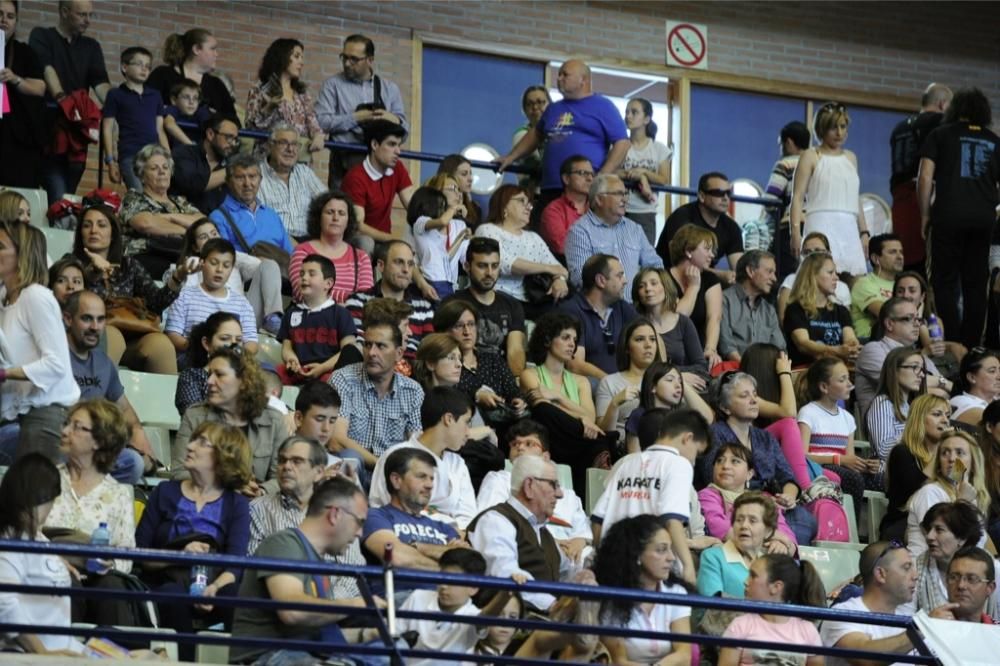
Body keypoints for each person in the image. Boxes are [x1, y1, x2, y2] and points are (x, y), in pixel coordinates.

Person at [135, 422, 251, 658]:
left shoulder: (236, 504)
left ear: (224, 456)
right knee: (170, 595)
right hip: (165, 580)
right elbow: (140, 553)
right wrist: (178, 555)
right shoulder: (165, 492)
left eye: (202, 443)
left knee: (236, 595)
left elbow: (235, 563)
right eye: (193, 439)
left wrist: (214, 588)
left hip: (214, 584)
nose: (190, 446)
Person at [231, 477, 375, 666]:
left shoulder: (318, 563)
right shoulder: (283, 543)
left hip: (301, 655)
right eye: (359, 522)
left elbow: (322, 637)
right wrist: (356, 604)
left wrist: (372, 633)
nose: (359, 534)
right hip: (263, 658)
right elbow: (292, 612)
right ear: (335, 515)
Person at [42, 399, 136, 625]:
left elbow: (126, 553)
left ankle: (117, 656)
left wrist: (108, 564)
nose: (64, 431)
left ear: (99, 440)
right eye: (67, 424)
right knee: (64, 580)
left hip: (97, 579)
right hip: (48, 573)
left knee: (111, 586)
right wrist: (53, 559)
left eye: (76, 426)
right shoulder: (44, 479)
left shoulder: (118, 493)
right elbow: (21, 533)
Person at [919, 88, 1000, 348]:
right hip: (983, 219)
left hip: (948, 215)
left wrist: (924, 214)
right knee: (976, 284)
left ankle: (952, 340)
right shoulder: (994, 140)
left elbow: (924, 177)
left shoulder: (940, 134)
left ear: (956, 109)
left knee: (943, 280)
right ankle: (973, 344)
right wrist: (991, 207)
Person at [497, 59, 629, 219]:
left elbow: (622, 143)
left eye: (565, 75)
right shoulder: (554, 109)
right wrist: (510, 157)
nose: (559, 79)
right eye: (559, 75)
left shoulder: (603, 106)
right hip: (551, 189)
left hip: (584, 192)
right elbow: (536, 134)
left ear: (583, 80)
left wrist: (602, 177)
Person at [592, 408, 709, 583]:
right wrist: (687, 565)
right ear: (688, 438)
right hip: (653, 568)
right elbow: (672, 519)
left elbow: (597, 519)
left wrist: (602, 556)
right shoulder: (679, 464)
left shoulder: (626, 463)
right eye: (697, 453)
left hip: (614, 564)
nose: (693, 461)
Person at [702, 372, 816, 545]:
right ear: (725, 407)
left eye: (755, 394)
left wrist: (788, 496)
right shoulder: (715, 433)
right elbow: (712, 475)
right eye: (744, 395)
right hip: (733, 502)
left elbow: (787, 476)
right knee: (792, 524)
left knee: (805, 519)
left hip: (772, 503)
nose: (754, 400)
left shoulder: (765, 437)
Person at [0, 220, 81, 462]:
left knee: (37, 495)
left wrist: (5, 374)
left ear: (21, 255)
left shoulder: (36, 297)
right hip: (17, 414)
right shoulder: (5, 296)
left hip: (47, 414)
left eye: (0, 246)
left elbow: (56, 364)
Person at [247, 435, 365, 599]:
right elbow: (254, 569)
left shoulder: (336, 510)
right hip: (281, 604)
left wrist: (328, 604)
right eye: (282, 460)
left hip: (337, 608)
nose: (286, 467)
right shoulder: (257, 509)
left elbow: (353, 571)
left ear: (318, 472)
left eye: (297, 461)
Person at [64, 291, 155, 480]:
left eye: (100, 320)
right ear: (68, 319)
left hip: (95, 447)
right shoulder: (55, 356)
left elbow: (126, 411)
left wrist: (137, 432)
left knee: (133, 462)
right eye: (87, 319)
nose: (95, 327)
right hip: (61, 442)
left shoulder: (104, 363)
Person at [0, 453, 85, 655]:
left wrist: (57, 561)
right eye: (52, 500)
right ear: (41, 497)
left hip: (62, 647)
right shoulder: (10, 542)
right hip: (32, 655)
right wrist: (43, 654)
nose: (52, 507)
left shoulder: (33, 536)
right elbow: (4, 605)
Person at [172, 347, 286, 496]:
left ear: (244, 381)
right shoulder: (195, 416)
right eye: (210, 374)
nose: (210, 381)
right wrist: (229, 485)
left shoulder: (274, 420)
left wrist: (261, 491)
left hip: (258, 506)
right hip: (206, 501)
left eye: (219, 375)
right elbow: (179, 472)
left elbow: (280, 475)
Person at [467, 454, 574, 613]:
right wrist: (555, 606)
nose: (560, 494)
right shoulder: (495, 521)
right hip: (510, 627)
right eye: (554, 484)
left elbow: (568, 572)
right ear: (529, 485)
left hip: (544, 624)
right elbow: (508, 577)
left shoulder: (543, 533)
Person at [819, 541, 954, 665]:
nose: (915, 575)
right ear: (880, 574)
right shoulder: (842, 615)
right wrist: (922, 629)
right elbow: (866, 658)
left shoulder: (907, 617)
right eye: (906, 568)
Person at [29, 0, 111, 202]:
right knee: (58, 194)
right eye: (82, 15)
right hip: (48, 129)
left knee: (67, 195)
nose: (88, 21)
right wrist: (61, 98)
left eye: (90, 15)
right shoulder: (42, 36)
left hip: (77, 135)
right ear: (64, 12)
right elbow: (46, 69)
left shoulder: (91, 46)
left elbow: (100, 83)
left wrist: (118, 104)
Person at [520, 312, 612, 490]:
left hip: (577, 442)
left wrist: (558, 396)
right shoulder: (529, 375)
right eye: (565, 338)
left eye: (574, 339)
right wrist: (580, 418)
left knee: (596, 440)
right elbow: (542, 407)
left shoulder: (581, 381)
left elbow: (591, 419)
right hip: (551, 439)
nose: (572, 344)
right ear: (547, 340)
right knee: (545, 410)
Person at [477, 420, 592, 562]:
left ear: (545, 456)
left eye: (529, 443)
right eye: (514, 444)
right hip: (526, 550)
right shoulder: (499, 480)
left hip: (571, 555)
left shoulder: (568, 495)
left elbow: (583, 531)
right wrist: (550, 543)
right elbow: (490, 526)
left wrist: (579, 542)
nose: (519, 448)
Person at [369, 386, 477, 530]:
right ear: (449, 419)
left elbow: (468, 517)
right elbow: (385, 507)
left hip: (454, 539)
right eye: (466, 422)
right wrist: (445, 521)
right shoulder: (396, 455)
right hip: (404, 534)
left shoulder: (457, 464)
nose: (468, 433)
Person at [592, 514, 692, 666]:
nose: (671, 557)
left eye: (670, 549)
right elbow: (619, 662)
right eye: (661, 550)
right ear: (636, 555)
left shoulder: (676, 593)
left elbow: (684, 655)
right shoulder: (611, 599)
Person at [315, 33, 407, 188]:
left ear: (370, 60)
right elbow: (320, 121)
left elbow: (404, 132)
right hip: (344, 161)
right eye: (344, 57)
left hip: (378, 164)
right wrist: (356, 118)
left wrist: (393, 119)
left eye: (354, 59)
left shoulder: (389, 89)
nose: (347, 63)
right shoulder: (332, 85)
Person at [329, 318, 424, 467]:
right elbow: (336, 440)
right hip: (353, 471)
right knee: (350, 457)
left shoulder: (413, 391)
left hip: (393, 475)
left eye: (381, 346)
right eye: (367, 345)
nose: (372, 353)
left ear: (399, 353)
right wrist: (380, 465)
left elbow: (417, 445)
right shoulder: (343, 379)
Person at [789, 102, 870, 278]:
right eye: (833, 127)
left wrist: (864, 232)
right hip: (820, 223)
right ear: (822, 129)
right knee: (818, 276)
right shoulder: (810, 156)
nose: (839, 133)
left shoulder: (851, 158)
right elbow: (797, 197)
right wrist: (795, 232)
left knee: (853, 279)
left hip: (848, 226)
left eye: (843, 127)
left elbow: (855, 197)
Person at [165, 216, 283, 333]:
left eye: (214, 234)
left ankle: (272, 318)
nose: (211, 239)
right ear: (195, 247)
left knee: (270, 264)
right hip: (210, 324)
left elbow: (264, 270)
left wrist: (230, 255)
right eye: (204, 237)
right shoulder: (190, 267)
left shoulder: (235, 260)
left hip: (243, 320)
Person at [361, 447, 462, 574]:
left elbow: (467, 563)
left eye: (431, 478)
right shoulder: (375, 516)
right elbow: (396, 556)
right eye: (421, 477)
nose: (430, 485)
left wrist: (417, 547)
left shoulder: (444, 527)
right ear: (396, 480)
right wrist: (446, 558)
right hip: (400, 592)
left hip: (444, 593)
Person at [564, 174, 664, 301]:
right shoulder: (580, 231)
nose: (625, 199)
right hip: (600, 311)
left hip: (636, 308)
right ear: (599, 199)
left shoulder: (634, 229)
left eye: (625, 193)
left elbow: (655, 265)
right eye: (618, 194)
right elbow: (581, 278)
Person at [476, 184, 569, 317]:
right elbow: (504, 264)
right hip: (499, 297)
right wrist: (549, 269)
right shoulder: (487, 230)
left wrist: (559, 279)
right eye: (521, 201)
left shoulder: (533, 237)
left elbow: (559, 269)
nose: (528, 207)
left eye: (530, 203)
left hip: (533, 299)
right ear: (504, 205)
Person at [798, 358, 878, 511]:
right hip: (819, 467)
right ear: (824, 386)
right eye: (842, 380)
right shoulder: (808, 413)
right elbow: (802, 456)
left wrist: (863, 465)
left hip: (841, 467)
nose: (849, 384)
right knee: (853, 480)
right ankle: (849, 529)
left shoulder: (848, 418)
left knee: (881, 478)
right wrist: (838, 459)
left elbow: (849, 458)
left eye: (849, 378)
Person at [719, 554, 826, 666]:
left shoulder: (808, 630)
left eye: (753, 576)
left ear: (776, 587)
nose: (745, 581)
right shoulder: (740, 625)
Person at [432, 302, 526, 428]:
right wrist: (476, 395)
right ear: (444, 331)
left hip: (505, 424)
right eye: (459, 326)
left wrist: (517, 400)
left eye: (471, 324)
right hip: (466, 428)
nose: (467, 332)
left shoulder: (493, 359)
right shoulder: (443, 364)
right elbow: (446, 396)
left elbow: (512, 390)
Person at [445, 236, 528, 377]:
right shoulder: (453, 304)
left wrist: (514, 387)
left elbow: (515, 351)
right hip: (463, 377)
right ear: (467, 267)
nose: (489, 273)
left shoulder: (512, 305)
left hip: (502, 380)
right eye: (482, 266)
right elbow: (447, 350)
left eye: (494, 266)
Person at [890, 84, 951, 273]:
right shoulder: (942, 124)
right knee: (931, 260)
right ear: (942, 104)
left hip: (899, 199)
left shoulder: (899, 128)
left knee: (905, 257)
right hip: (926, 194)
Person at [855, 297, 950, 420]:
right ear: (889, 324)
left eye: (918, 319)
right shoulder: (873, 349)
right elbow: (899, 382)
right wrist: (940, 383)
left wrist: (939, 388)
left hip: (923, 422)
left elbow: (946, 392)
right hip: (888, 426)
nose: (917, 324)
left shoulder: (920, 356)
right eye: (909, 318)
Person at [118, 143, 204, 276]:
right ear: (142, 175)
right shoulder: (134, 197)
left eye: (165, 167)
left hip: (179, 255)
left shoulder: (180, 202)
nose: (162, 171)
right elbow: (146, 224)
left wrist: (169, 217)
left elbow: (203, 223)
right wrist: (188, 230)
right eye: (154, 168)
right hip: (146, 257)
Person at [209, 153, 294, 285]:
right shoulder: (219, 217)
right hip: (244, 284)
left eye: (252, 176)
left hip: (282, 283)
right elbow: (223, 259)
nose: (247, 184)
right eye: (240, 177)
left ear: (260, 179)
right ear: (228, 181)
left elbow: (290, 255)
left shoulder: (272, 215)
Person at [698, 443, 798, 553]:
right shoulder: (707, 495)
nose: (725, 466)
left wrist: (782, 544)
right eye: (719, 460)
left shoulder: (763, 498)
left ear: (749, 474)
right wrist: (771, 535)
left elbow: (786, 534)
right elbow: (719, 528)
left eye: (735, 461)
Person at [164, 238, 259, 354]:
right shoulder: (184, 296)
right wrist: (204, 350)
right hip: (192, 358)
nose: (219, 270)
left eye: (226, 265)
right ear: (202, 263)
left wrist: (231, 355)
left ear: (232, 269)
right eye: (214, 263)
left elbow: (251, 342)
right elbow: (172, 334)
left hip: (230, 362)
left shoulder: (242, 303)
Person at [344, 240, 434, 362]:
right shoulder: (357, 302)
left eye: (410, 264)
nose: (406, 270)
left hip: (413, 373)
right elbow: (358, 346)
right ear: (381, 265)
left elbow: (429, 351)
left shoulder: (424, 307)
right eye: (399, 262)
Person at [905, 429, 989, 559]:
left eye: (959, 453)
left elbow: (979, 546)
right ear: (939, 463)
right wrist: (962, 503)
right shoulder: (930, 492)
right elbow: (944, 545)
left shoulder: (974, 497)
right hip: (925, 570)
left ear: (973, 463)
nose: (952, 459)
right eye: (945, 453)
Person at [897, 501, 990, 618]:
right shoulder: (914, 569)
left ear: (962, 538)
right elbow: (903, 619)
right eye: (929, 529)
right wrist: (929, 622)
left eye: (939, 530)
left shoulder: (991, 569)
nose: (929, 536)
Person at [277, 254, 357, 384]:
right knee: (272, 374)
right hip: (297, 371)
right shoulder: (291, 313)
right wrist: (291, 359)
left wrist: (322, 368)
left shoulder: (341, 314)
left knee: (334, 382)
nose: (304, 278)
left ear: (328, 283)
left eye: (311, 274)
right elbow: (286, 347)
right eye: (302, 274)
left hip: (328, 371)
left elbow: (348, 352)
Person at [882, 394, 952, 540]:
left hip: (943, 522)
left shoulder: (951, 457)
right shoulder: (902, 452)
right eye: (937, 414)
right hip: (904, 524)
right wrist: (941, 447)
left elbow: (960, 486)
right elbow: (918, 488)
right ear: (919, 419)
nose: (945, 420)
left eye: (947, 415)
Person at [558, 253, 638, 380]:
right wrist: (612, 384)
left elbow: (650, 334)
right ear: (601, 280)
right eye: (619, 275)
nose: (625, 281)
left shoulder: (622, 307)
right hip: (591, 385)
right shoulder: (571, 311)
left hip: (625, 384)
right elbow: (575, 365)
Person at [657, 172, 744, 285]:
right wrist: (719, 274)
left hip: (703, 279)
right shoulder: (682, 217)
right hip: (668, 280)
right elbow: (681, 263)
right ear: (702, 196)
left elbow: (739, 267)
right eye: (718, 193)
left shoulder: (731, 227)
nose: (725, 198)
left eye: (728, 193)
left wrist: (736, 277)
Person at [100, 46, 168, 190]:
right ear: (124, 67)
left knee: (156, 197)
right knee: (138, 195)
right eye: (139, 64)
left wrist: (168, 157)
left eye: (148, 66)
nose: (144, 69)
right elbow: (107, 129)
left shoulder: (155, 95)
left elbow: (160, 129)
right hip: (130, 155)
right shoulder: (115, 94)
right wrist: (110, 161)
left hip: (154, 155)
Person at [289, 191, 374, 305]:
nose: (335, 218)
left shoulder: (361, 257)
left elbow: (366, 299)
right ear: (319, 218)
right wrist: (349, 298)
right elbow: (304, 292)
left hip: (350, 319)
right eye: (330, 212)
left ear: (348, 220)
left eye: (341, 213)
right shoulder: (302, 251)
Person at [341, 119, 415, 247]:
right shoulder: (355, 177)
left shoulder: (397, 167)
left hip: (383, 241)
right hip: (355, 241)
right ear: (375, 145)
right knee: (366, 242)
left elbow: (414, 206)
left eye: (398, 145)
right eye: (392, 144)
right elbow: (358, 226)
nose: (398, 151)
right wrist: (392, 239)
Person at [245, 38, 324, 155]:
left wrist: (318, 135)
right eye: (296, 56)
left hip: (297, 159)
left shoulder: (302, 94)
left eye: (302, 57)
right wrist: (268, 109)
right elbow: (250, 129)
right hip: (268, 158)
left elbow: (312, 122)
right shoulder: (259, 90)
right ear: (282, 57)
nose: (301, 62)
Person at [783, 250, 860, 366]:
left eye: (835, 272)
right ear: (812, 275)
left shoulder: (841, 310)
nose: (836, 278)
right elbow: (803, 344)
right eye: (830, 273)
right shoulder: (795, 309)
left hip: (836, 373)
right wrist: (836, 350)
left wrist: (852, 346)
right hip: (806, 372)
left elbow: (850, 338)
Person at [0, 0, 47, 188]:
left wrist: (14, 79)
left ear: (16, 22)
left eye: (10, 16)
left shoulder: (24, 52)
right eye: (0, 14)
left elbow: (40, 88)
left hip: (15, 138)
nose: (4, 20)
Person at [632, 268, 708, 383]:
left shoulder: (684, 323)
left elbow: (701, 367)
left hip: (683, 387)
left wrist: (677, 374)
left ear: (665, 287)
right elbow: (635, 369)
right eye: (641, 286)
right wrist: (677, 374)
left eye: (654, 283)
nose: (648, 289)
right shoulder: (635, 326)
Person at [697, 492, 778, 598]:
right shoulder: (712, 557)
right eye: (739, 520)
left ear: (768, 531)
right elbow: (712, 607)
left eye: (752, 521)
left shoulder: (770, 566)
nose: (744, 525)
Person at [623, 361, 714, 453]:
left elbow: (707, 419)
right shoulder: (639, 415)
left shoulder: (680, 414)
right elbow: (634, 455)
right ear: (652, 387)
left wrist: (683, 384)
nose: (678, 385)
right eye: (670, 380)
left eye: (680, 382)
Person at [664, 223, 723, 367]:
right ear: (688, 251)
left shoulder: (710, 280)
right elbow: (677, 318)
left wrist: (710, 349)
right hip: (670, 353)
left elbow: (714, 319)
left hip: (700, 352)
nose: (712, 255)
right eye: (707, 249)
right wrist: (694, 287)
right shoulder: (663, 278)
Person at [865, 347, 928, 477]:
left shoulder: (911, 407)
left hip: (915, 468)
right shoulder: (882, 403)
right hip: (892, 474)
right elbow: (883, 450)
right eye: (915, 367)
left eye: (922, 369)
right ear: (895, 370)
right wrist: (916, 431)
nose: (921, 374)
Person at [257, 124, 326, 241]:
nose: (290, 149)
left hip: (309, 239)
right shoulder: (256, 174)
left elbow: (328, 201)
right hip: (274, 240)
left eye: (294, 144)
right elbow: (257, 219)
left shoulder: (305, 172)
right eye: (283, 143)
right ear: (270, 145)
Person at [596, 317, 661, 441]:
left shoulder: (666, 380)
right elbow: (603, 434)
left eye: (652, 339)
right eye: (640, 339)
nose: (648, 345)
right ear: (627, 347)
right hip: (623, 447)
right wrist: (615, 403)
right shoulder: (609, 382)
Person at [148, 28, 235, 118]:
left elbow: (234, 120)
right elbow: (146, 107)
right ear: (196, 49)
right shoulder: (162, 75)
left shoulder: (217, 85)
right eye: (212, 49)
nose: (216, 54)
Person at [619, 98, 672, 245]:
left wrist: (644, 173)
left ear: (647, 119)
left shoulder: (659, 149)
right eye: (627, 112)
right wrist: (637, 176)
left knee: (643, 260)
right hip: (619, 209)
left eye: (634, 112)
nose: (628, 116)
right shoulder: (620, 146)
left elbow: (663, 179)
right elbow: (610, 172)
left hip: (644, 212)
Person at [719, 250, 786, 361]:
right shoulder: (724, 300)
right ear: (750, 271)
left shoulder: (769, 310)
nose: (774, 278)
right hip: (735, 373)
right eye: (769, 271)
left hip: (766, 371)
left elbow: (780, 349)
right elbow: (727, 347)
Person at [765, 121, 811, 282]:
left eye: (781, 144)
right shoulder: (818, 163)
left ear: (789, 142)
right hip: (816, 227)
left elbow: (770, 201)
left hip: (790, 229)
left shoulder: (785, 164)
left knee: (783, 277)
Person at [170, 112, 241, 214]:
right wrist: (231, 170)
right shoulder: (184, 153)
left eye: (235, 139)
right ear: (210, 134)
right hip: (184, 220)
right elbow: (192, 184)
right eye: (229, 137)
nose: (233, 144)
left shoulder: (228, 162)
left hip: (219, 225)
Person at [407, 185, 471, 298]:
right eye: (440, 206)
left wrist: (461, 237)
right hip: (433, 280)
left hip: (448, 283)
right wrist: (453, 208)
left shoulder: (434, 233)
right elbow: (442, 221)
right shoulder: (420, 222)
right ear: (428, 205)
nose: (443, 210)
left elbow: (446, 257)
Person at [175, 311, 243, 415]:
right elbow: (193, 418)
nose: (233, 345)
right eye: (225, 338)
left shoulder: (247, 376)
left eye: (238, 340)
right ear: (206, 343)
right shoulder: (192, 377)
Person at [776, 231, 852, 324]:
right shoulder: (792, 280)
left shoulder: (842, 287)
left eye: (817, 251)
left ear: (828, 253)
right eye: (807, 252)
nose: (811, 256)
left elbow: (847, 324)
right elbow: (783, 320)